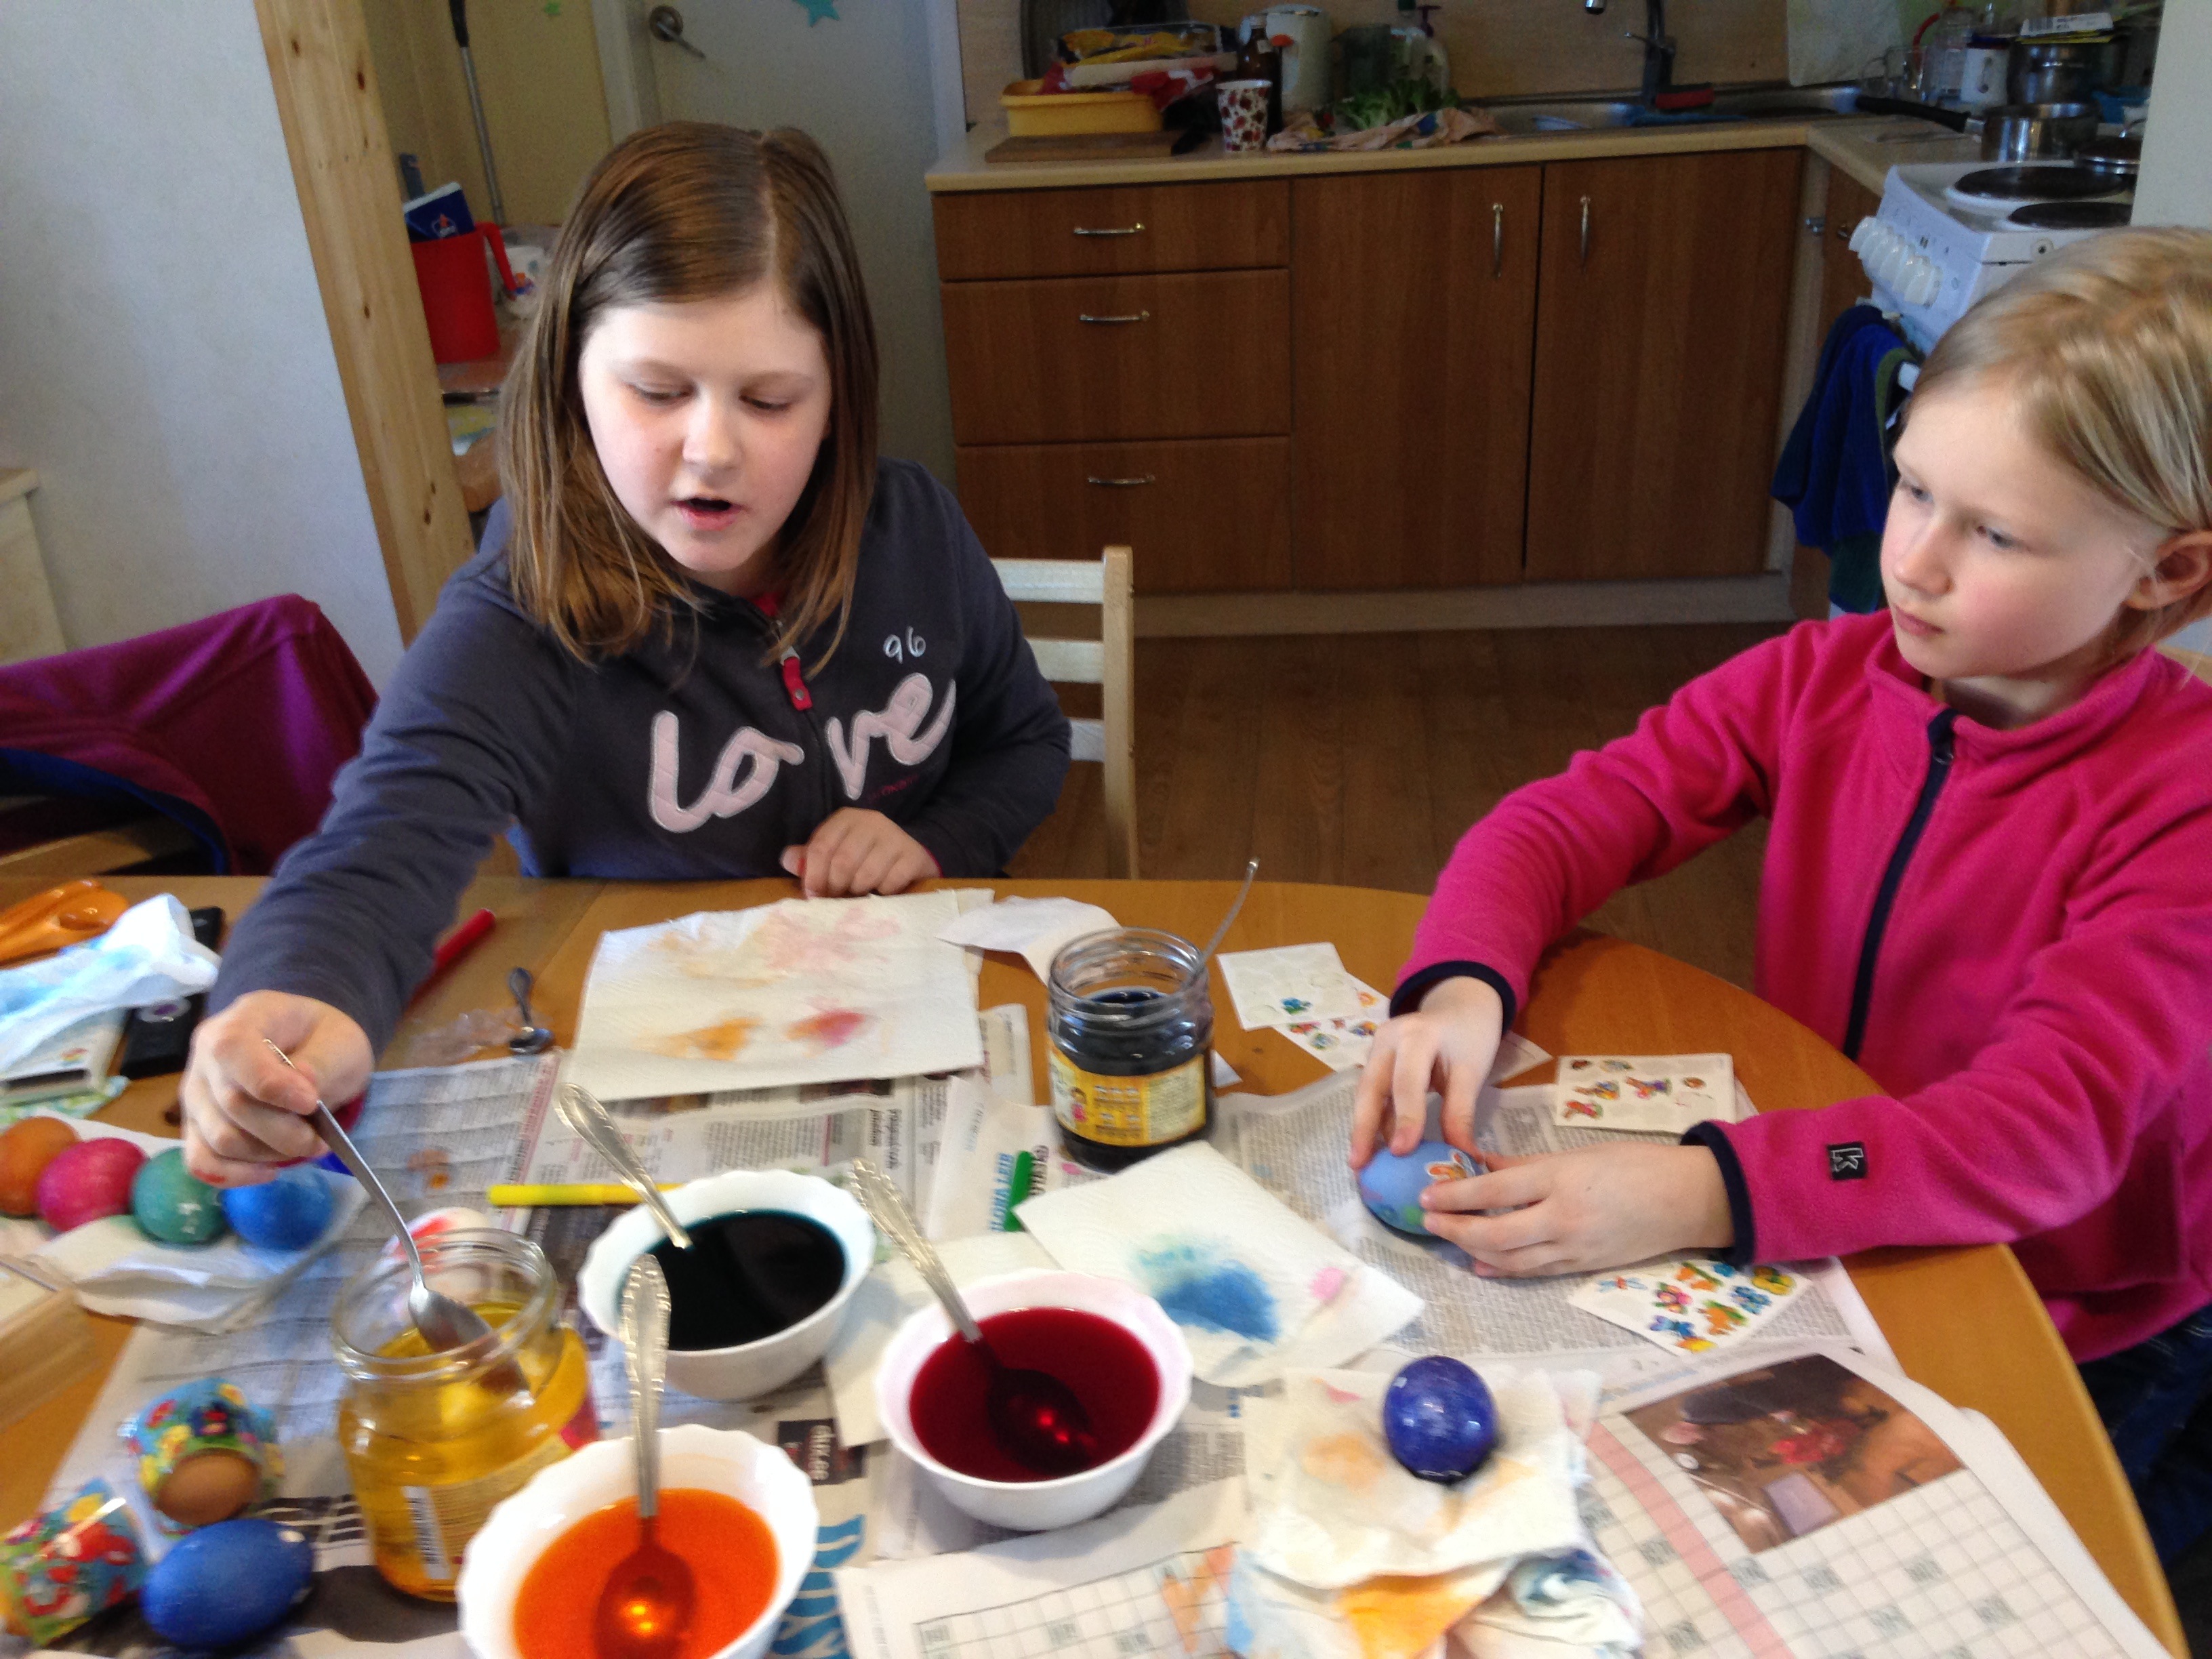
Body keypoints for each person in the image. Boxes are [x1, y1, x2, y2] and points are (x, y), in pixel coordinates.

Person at [1350, 228, 2212, 1557]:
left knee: (2057, 1560)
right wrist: (1464, 980)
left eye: (1993, 533)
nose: (1912, 561)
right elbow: (1560, 823)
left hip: (2079, 1303)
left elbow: (2035, 1140)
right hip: (1842, 1185)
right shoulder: (1820, 678)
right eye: (1913, 488)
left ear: (2167, 572)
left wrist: (1701, 1191)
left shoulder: (2184, 802)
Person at [182, 123, 1069, 1187]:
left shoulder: (915, 530)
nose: (712, 449)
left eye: (770, 400)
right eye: (656, 391)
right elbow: (384, 841)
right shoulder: (527, 607)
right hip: (667, 1070)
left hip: (922, 1028)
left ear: (839, 400)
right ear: (572, 383)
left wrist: (933, 836)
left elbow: (1027, 743)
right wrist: (300, 989)